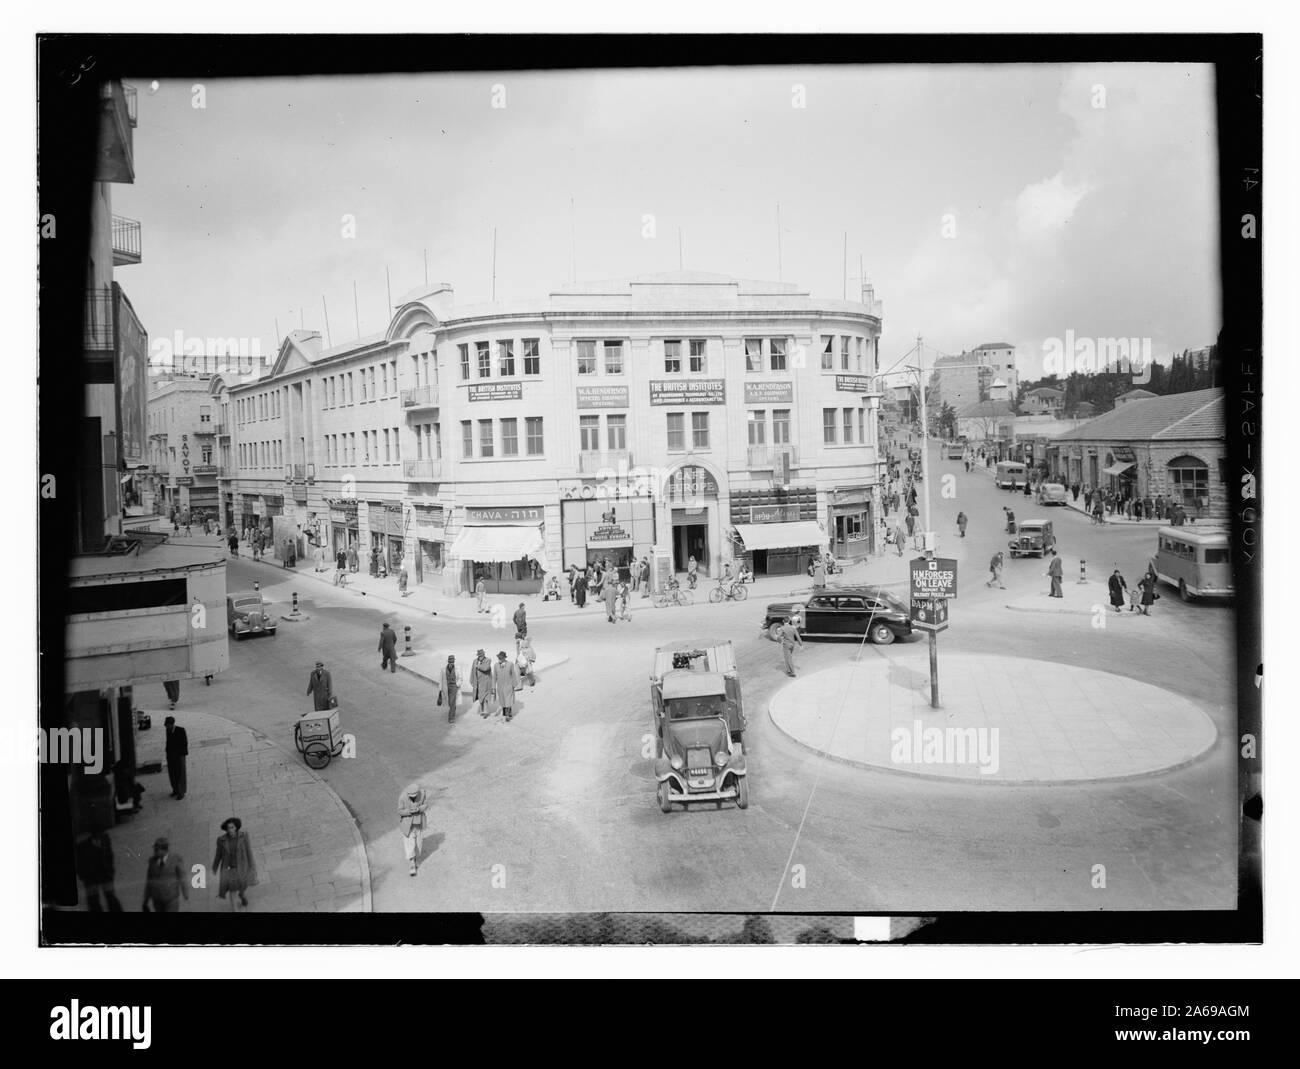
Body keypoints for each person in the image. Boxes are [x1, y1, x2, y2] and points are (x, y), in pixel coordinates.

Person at [212, 817, 257, 908]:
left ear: (236, 827)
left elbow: (249, 852)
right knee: (232, 891)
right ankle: (235, 910)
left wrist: (252, 868)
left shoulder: (243, 836)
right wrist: (215, 867)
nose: (230, 830)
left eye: (232, 827)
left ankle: (242, 895)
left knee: (242, 887)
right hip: (229, 869)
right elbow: (218, 855)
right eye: (228, 828)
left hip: (242, 868)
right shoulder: (221, 840)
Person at [76, 831, 123, 912]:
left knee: (108, 898)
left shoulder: (104, 838)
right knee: (95, 900)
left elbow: (109, 855)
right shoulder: (82, 842)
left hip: (103, 872)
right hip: (90, 874)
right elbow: (79, 860)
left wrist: (110, 871)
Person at [141, 837, 188, 913]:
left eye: (156, 849)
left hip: (172, 899)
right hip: (157, 900)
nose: (155, 851)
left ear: (164, 849)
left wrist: (185, 893)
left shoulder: (176, 859)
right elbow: (149, 881)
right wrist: (146, 899)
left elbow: (182, 876)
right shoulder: (152, 861)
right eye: (155, 849)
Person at [398, 784, 429, 876]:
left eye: (415, 795)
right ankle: (412, 864)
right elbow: (399, 811)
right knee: (409, 844)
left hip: (418, 824)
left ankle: (415, 858)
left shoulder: (422, 794)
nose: (413, 797)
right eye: (411, 796)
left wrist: (419, 809)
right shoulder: (402, 797)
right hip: (408, 826)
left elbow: (426, 805)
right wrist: (408, 811)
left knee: (418, 843)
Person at [163, 715, 188, 799]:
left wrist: (179, 754)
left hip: (179, 756)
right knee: (172, 773)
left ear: (171, 724)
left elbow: (184, 744)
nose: (165, 726)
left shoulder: (181, 730)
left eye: (167, 724)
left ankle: (181, 792)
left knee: (180, 774)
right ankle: (175, 790)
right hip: (170, 756)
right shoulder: (167, 730)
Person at [493, 650, 521, 721]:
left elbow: (513, 675)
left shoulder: (510, 664)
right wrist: (493, 687)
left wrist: (514, 685)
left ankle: (507, 715)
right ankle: (507, 713)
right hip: (500, 686)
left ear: (504, 657)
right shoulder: (496, 665)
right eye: (499, 657)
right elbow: (494, 677)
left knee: (508, 700)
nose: (500, 658)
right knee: (503, 701)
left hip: (508, 685)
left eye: (501, 657)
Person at [471, 649, 494, 715]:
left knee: (485, 698)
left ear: (484, 655)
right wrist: (472, 680)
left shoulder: (488, 660)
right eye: (479, 655)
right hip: (478, 682)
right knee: (480, 697)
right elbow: (472, 670)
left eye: (482, 655)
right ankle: (482, 710)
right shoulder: (475, 661)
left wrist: (478, 666)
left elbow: (486, 668)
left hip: (486, 682)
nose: (481, 656)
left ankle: (486, 711)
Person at [439, 655, 460, 722]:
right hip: (446, 687)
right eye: (450, 662)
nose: (451, 663)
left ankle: (450, 717)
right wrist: (440, 689)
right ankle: (453, 713)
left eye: (452, 662)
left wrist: (457, 685)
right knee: (450, 702)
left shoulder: (458, 668)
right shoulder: (443, 669)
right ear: (448, 662)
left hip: (454, 686)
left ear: (454, 661)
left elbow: (461, 678)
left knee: (452, 702)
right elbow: (441, 679)